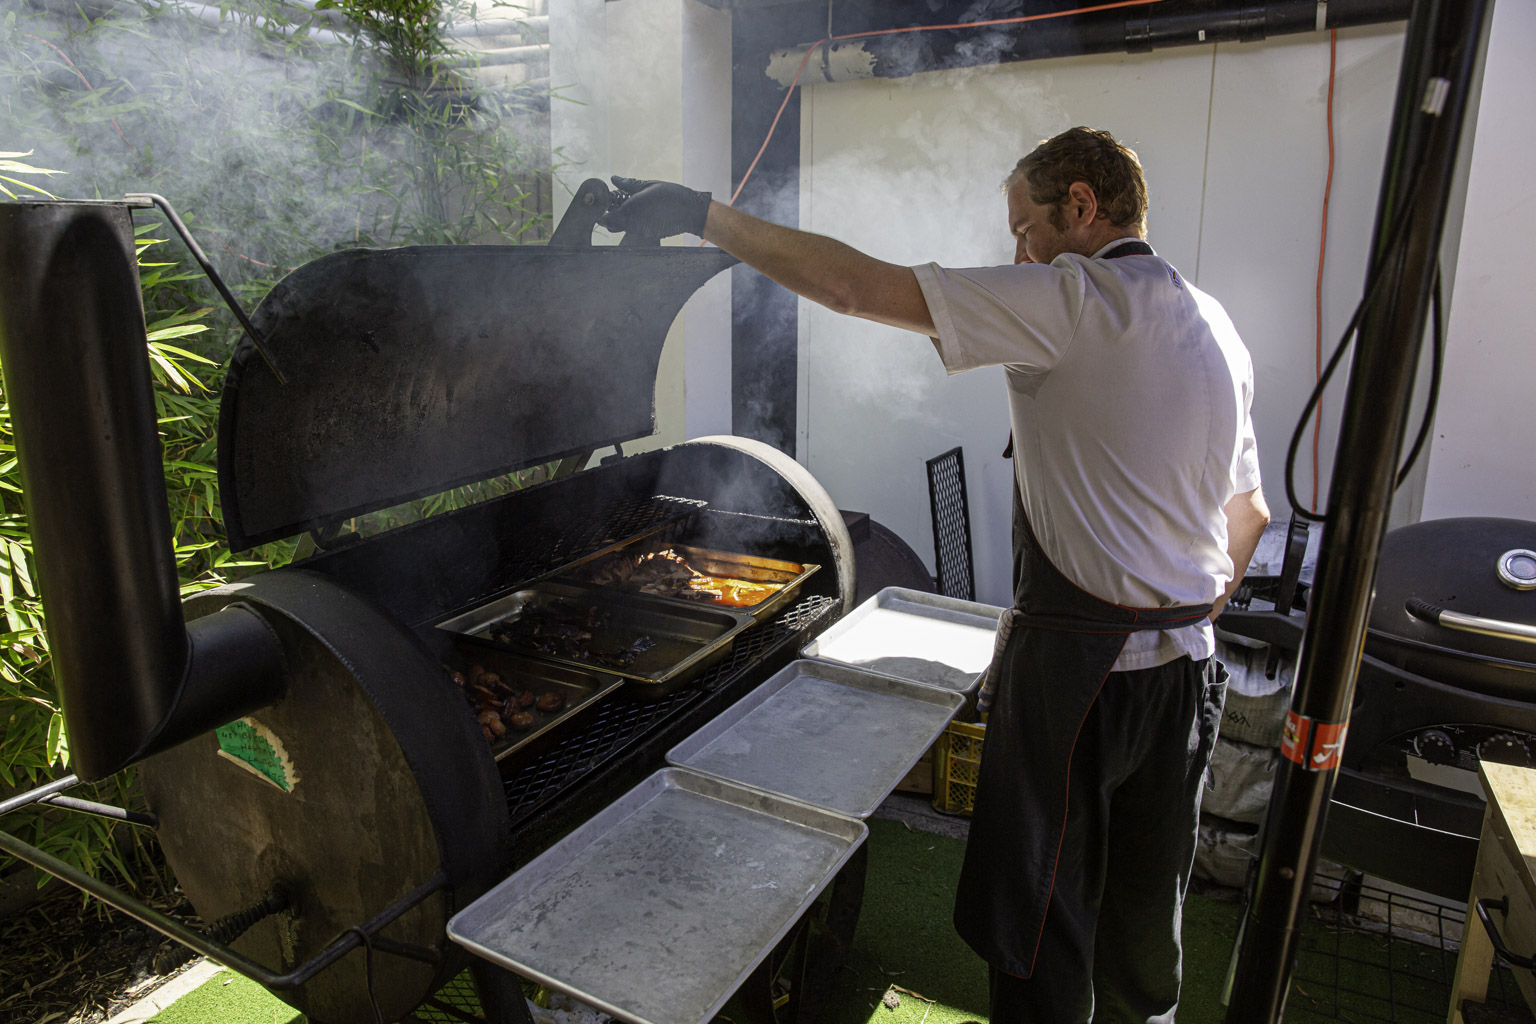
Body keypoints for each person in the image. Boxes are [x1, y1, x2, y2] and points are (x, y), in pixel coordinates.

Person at [603, 126, 1270, 1024]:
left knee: (1040, 927)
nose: (1019, 255)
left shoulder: (1073, 297)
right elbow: (1248, 515)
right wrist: (1172, 614)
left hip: (1082, 684)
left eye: (1025, 229)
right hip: (1186, 677)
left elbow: (853, 288)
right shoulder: (1216, 324)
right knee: (1144, 932)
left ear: (1081, 207)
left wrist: (702, 214)